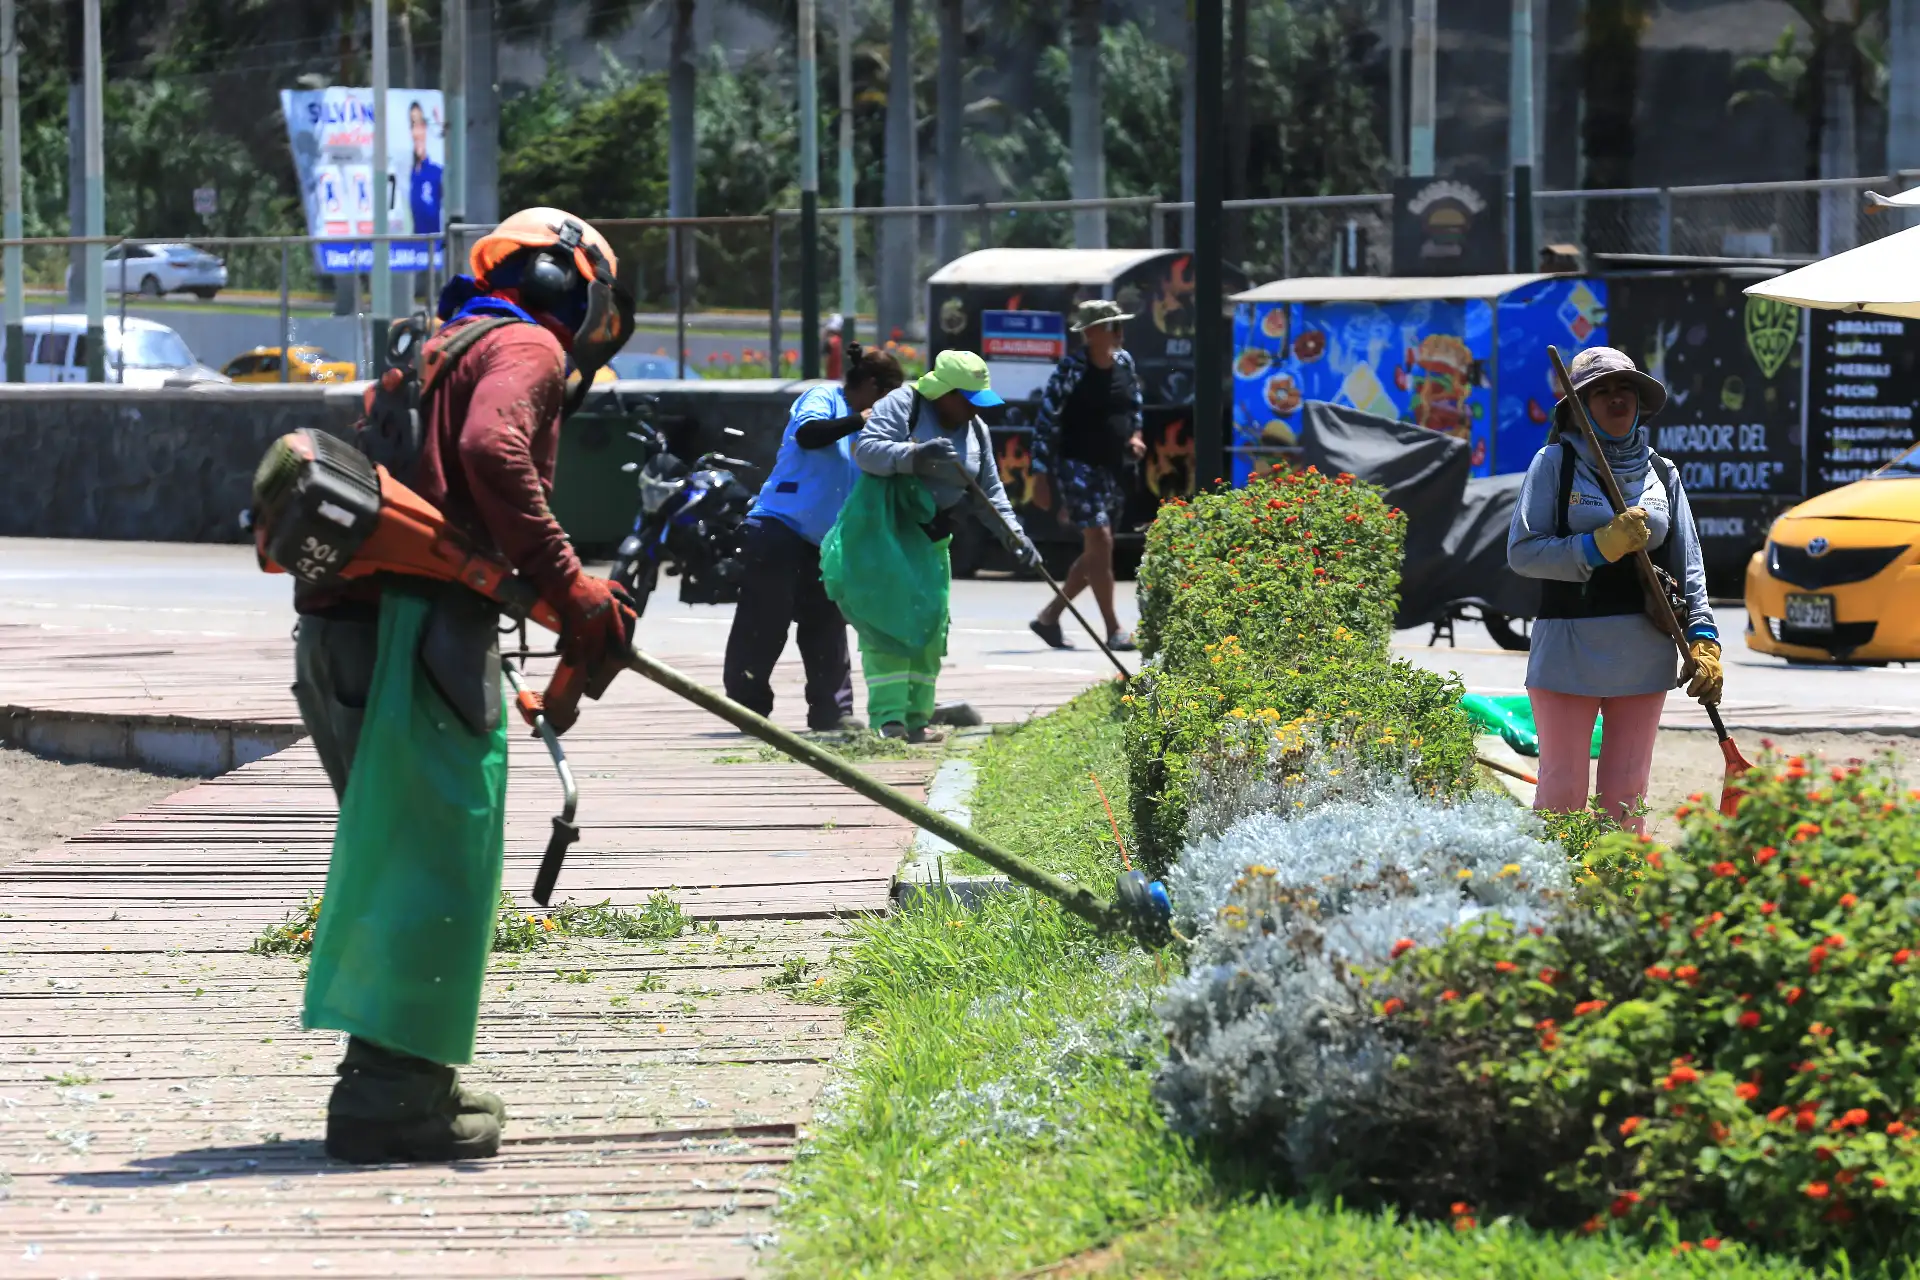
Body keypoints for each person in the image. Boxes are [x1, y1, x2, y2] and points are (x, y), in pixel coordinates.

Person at [293, 207, 635, 1164]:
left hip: (343, 639)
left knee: (394, 857)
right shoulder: (525, 345)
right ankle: (392, 1099)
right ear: (568, 285)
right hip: (417, 639)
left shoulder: (436, 348)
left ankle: (402, 1075)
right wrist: (572, 585)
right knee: (433, 862)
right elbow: (492, 451)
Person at [1507, 345, 1722, 833]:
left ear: (1640, 402)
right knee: (1561, 796)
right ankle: (1556, 883)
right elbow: (1522, 553)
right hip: (1566, 653)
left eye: (1625, 387)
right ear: (1578, 408)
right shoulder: (1554, 464)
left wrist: (1705, 640)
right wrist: (1597, 545)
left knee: (1626, 799)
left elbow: (1689, 565)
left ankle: (1619, 882)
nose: (1617, 398)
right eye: (1600, 391)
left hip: (1644, 657)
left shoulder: (1663, 472)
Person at [837, 349, 1042, 740]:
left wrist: (1014, 535)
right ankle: (889, 720)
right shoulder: (904, 405)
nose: (973, 409)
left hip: (931, 538)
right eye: (967, 400)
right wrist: (914, 454)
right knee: (889, 626)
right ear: (944, 393)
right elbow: (866, 451)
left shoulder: (975, 429)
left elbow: (989, 491)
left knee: (930, 628)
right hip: (885, 533)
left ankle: (917, 719)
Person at [723, 343, 906, 730]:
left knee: (827, 626)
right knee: (764, 623)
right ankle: (747, 709)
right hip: (779, 528)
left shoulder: (874, 429)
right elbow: (808, 435)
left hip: (827, 543)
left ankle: (833, 713)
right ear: (873, 387)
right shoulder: (824, 398)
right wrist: (859, 419)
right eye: (888, 398)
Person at [1027, 299, 1145, 652]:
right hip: (1076, 467)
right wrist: (1040, 475)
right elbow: (1045, 422)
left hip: (1113, 468)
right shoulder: (1070, 370)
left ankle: (1049, 617)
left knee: (1098, 550)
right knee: (1101, 541)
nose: (1120, 332)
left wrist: (1136, 436)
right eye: (1112, 326)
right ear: (1091, 332)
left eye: (1120, 325)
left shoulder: (1125, 362)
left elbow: (1135, 406)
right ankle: (1113, 629)